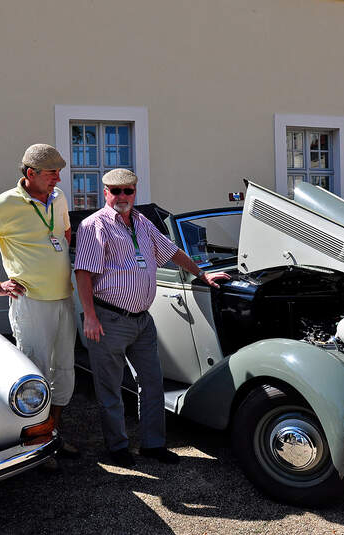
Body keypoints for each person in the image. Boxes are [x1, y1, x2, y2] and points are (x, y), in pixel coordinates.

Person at [74, 168, 230, 468]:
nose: (122, 196)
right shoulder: (95, 226)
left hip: (142, 319)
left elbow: (172, 252)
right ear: (105, 193)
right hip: (109, 319)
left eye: (128, 191)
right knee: (110, 388)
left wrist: (202, 273)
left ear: (135, 192)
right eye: (115, 191)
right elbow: (82, 273)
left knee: (153, 382)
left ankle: (153, 444)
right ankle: (118, 448)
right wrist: (91, 317)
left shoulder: (142, 222)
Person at [0, 143, 79, 461]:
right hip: (32, 302)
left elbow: (65, 234)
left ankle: (53, 434)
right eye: (52, 173)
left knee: (65, 371)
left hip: (64, 297)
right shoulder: (4, 204)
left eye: (59, 173)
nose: (58, 179)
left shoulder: (58, 198)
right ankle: (37, 446)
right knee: (35, 374)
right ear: (30, 174)